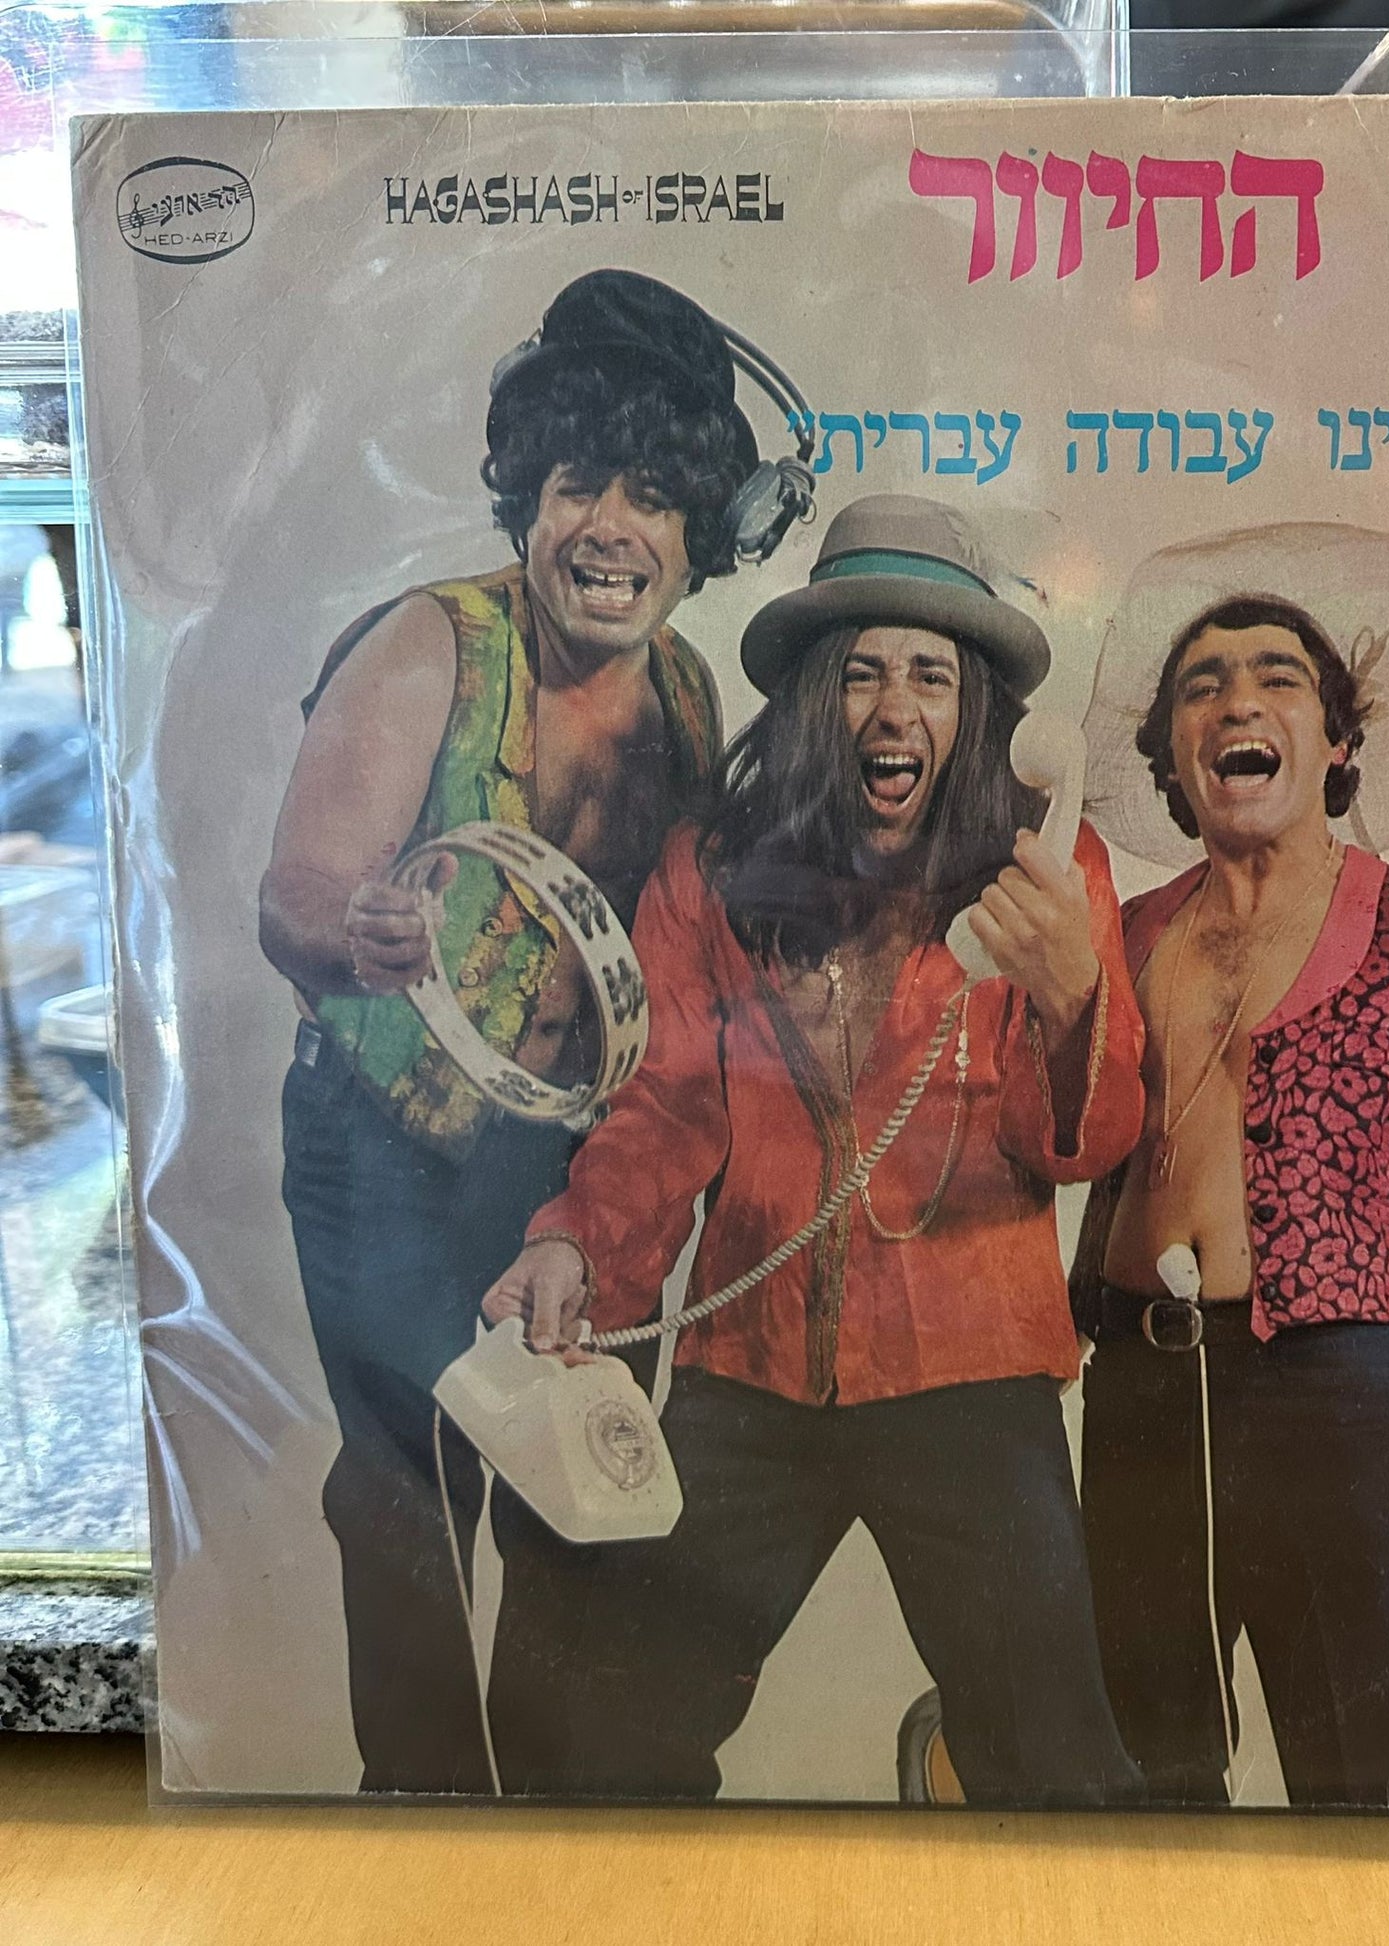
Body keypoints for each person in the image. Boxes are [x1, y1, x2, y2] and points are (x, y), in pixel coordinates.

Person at [482, 494, 1146, 1806]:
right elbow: (664, 1106)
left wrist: (1071, 994)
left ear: (973, 711)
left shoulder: (1048, 867)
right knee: (617, 1744)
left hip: (971, 1378)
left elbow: (1079, 1142)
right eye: (860, 673)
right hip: (750, 1370)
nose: (895, 709)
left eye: (930, 676)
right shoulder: (710, 868)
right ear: (809, 699)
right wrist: (574, 1247)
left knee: (1060, 1772)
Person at [257, 269, 777, 1793]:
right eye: (575, 486)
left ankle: (564, 1805)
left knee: (577, 1472)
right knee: (413, 1476)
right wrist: (353, 932)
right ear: (525, 503)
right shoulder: (429, 643)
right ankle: (422, 1811)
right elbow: (292, 898)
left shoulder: (686, 693)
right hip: (382, 1145)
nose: (610, 527)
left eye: (653, 496)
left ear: (702, 531)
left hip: (563, 1161)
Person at [1071, 587, 1389, 1809]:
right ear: (1172, 759)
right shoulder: (1127, 934)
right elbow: (1077, 1142)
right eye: (1201, 686)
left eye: (1276, 677)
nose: (1236, 699)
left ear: (1337, 740)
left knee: (1380, 1771)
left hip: (1328, 1385)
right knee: (1143, 1775)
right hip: (1140, 1385)